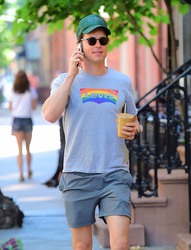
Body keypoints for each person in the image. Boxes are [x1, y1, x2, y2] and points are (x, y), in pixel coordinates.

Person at [42, 14, 141, 250]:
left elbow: (135, 121)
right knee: (82, 245)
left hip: (115, 172)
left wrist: (133, 130)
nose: (98, 45)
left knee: (121, 242)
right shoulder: (65, 81)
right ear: (80, 45)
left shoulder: (122, 81)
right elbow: (49, 115)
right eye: (91, 40)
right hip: (78, 174)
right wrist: (72, 75)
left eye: (103, 40)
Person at [9, 70, 38, 182]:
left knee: (19, 149)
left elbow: (10, 106)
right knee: (28, 148)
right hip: (27, 119)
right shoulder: (31, 90)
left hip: (16, 120)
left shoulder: (13, 90)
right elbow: (34, 107)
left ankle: (21, 173)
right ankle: (29, 170)